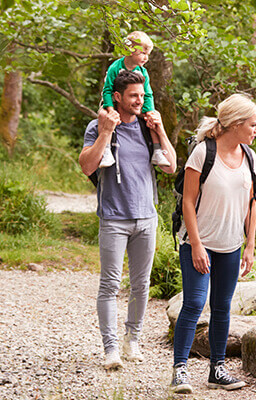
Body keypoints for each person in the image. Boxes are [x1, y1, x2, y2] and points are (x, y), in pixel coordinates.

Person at [79, 70, 177, 370]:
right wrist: (107, 132)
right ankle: (110, 349)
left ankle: (132, 339)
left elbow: (172, 167)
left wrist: (160, 131)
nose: (140, 100)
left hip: (146, 217)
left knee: (141, 284)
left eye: (142, 95)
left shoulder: (148, 129)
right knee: (109, 285)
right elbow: (86, 166)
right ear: (118, 97)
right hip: (113, 218)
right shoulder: (97, 126)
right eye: (133, 96)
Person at [170, 94, 256, 394]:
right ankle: (180, 371)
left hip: (232, 245)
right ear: (235, 124)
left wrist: (250, 245)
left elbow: (252, 202)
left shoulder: (250, 156)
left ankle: (216, 371)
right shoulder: (202, 153)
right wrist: (195, 245)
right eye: (253, 124)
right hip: (199, 241)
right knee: (195, 303)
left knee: (222, 307)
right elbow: (189, 202)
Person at [98, 31, 170, 169]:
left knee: (153, 118)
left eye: (148, 54)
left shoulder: (143, 72)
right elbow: (107, 90)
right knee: (103, 115)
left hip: (135, 104)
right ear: (129, 50)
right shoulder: (115, 67)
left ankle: (157, 150)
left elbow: (148, 94)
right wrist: (111, 110)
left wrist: (149, 111)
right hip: (113, 103)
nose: (146, 58)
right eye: (142, 53)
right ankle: (106, 150)